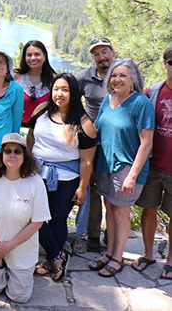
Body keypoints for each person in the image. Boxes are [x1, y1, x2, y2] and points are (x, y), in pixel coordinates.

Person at [27, 73, 97, 282]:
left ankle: (52, 260)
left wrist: (82, 187)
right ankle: (57, 257)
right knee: (33, 217)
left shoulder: (84, 124)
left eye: (64, 89)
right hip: (36, 174)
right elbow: (31, 135)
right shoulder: (41, 111)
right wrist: (28, 162)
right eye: (56, 89)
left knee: (56, 220)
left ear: (73, 93)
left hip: (66, 179)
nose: (59, 94)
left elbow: (86, 161)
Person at [88, 59, 154, 277]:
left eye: (122, 75)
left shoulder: (141, 103)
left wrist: (132, 175)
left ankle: (117, 258)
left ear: (133, 78)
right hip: (105, 164)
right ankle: (109, 253)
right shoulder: (109, 100)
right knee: (110, 210)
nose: (117, 79)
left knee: (120, 214)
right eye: (114, 75)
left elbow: (146, 142)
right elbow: (98, 128)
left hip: (127, 167)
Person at [0, 133, 51, 304]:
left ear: (25, 155)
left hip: (21, 251)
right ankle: (1, 272)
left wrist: (9, 247)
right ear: (1, 154)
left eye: (18, 151)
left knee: (20, 298)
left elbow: (37, 222)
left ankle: (13, 273)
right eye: (8, 151)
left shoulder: (36, 182)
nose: (12, 155)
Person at [132, 45, 172, 279]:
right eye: (171, 61)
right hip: (154, 165)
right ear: (164, 63)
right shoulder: (153, 92)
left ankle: (170, 260)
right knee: (149, 210)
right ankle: (148, 254)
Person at [77, 37, 116, 252]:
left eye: (104, 52)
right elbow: (70, 98)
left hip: (118, 144)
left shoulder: (124, 73)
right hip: (92, 143)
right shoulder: (84, 77)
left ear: (112, 52)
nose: (101, 57)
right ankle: (93, 234)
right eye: (96, 54)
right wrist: (85, 122)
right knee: (91, 189)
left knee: (113, 190)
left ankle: (112, 234)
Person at [13, 40, 56, 127]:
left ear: (44, 56)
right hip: (17, 128)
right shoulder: (16, 76)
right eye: (29, 55)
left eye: (37, 54)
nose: (33, 58)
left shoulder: (54, 80)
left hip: (43, 130)